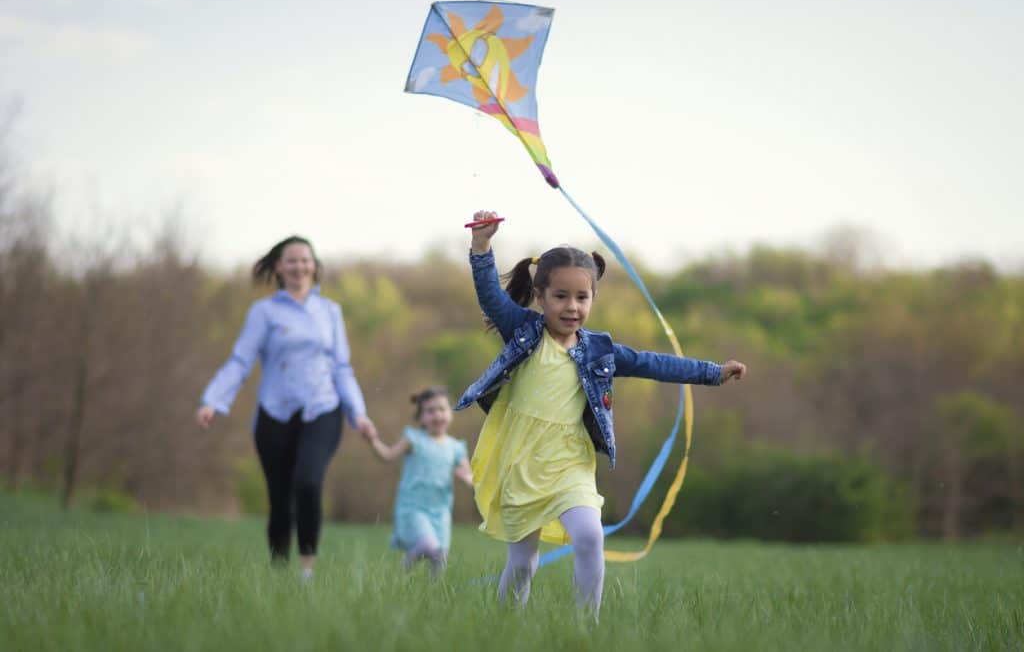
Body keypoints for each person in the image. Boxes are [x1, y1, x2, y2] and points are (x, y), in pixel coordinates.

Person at [458, 210, 747, 616]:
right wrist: (482, 246)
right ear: (540, 298)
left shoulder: (600, 351)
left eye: (582, 297)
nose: (572, 307)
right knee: (523, 563)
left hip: (569, 463)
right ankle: (505, 628)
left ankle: (586, 627)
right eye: (561, 296)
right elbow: (490, 295)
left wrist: (713, 373)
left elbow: (652, 363)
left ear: (593, 298)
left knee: (590, 536)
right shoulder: (523, 330)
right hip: (521, 462)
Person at [194, 235, 376, 579]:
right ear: (278, 267)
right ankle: (278, 573)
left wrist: (358, 414)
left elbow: (342, 367)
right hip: (274, 414)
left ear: (314, 266)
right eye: (291, 260)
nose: (299, 266)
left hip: (323, 409)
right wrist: (213, 401)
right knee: (280, 498)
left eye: (305, 260)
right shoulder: (264, 312)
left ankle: (306, 570)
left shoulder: (330, 312)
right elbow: (240, 360)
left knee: (308, 482)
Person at [362, 386, 473, 576]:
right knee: (428, 546)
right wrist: (373, 441)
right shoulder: (413, 439)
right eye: (431, 411)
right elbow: (388, 455)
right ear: (421, 418)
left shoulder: (456, 448)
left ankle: (434, 594)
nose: (437, 415)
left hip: (441, 512)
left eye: (442, 409)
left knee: (440, 557)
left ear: (450, 413)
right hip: (413, 508)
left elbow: (469, 477)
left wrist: (468, 480)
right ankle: (401, 573)